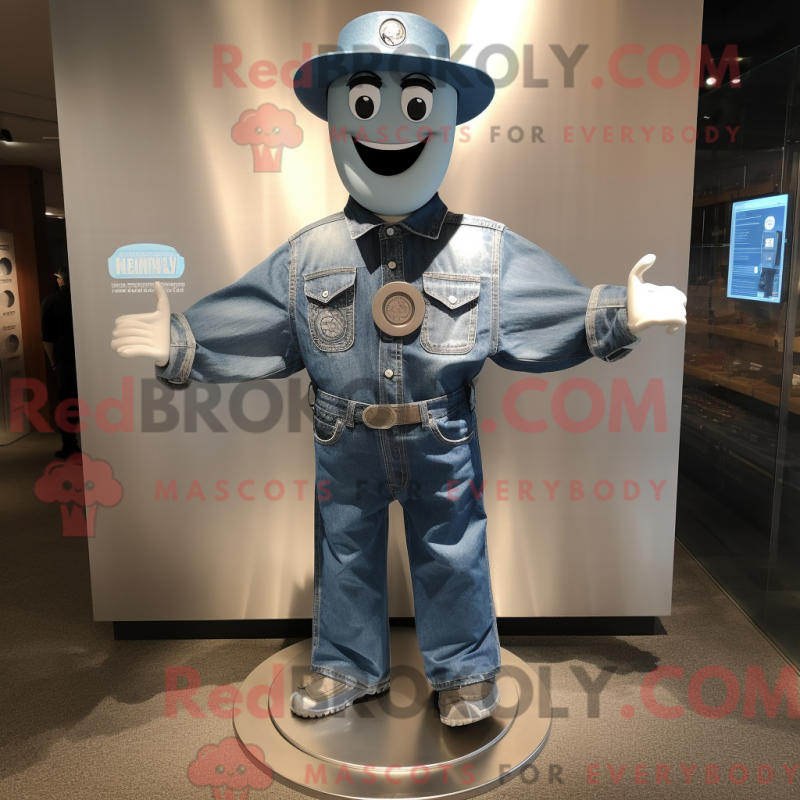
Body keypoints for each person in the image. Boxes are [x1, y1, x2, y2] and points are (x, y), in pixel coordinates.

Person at [110, 11, 686, 726]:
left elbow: (546, 311)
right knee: (344, 551)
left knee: (454, 551)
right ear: (336, 119)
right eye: (364, 102)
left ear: (444, 119)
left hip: (439, 436)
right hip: (343, 435)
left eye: (414, 105)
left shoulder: (484, 251)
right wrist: (181, 342)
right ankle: (348, 666)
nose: (388, 125)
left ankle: (466, 672)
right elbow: (258, 319)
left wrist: (619, 313)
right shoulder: (309, 254)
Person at [42, 264, 80, 458]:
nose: (57, 280)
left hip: (65, 357)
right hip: (90, 355)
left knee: (67, 402)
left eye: (59, 277)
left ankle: (69, 445)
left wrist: (53, 363)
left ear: (64, 279)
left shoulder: (52, 301)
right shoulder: (85, 299)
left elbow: (47, 337)